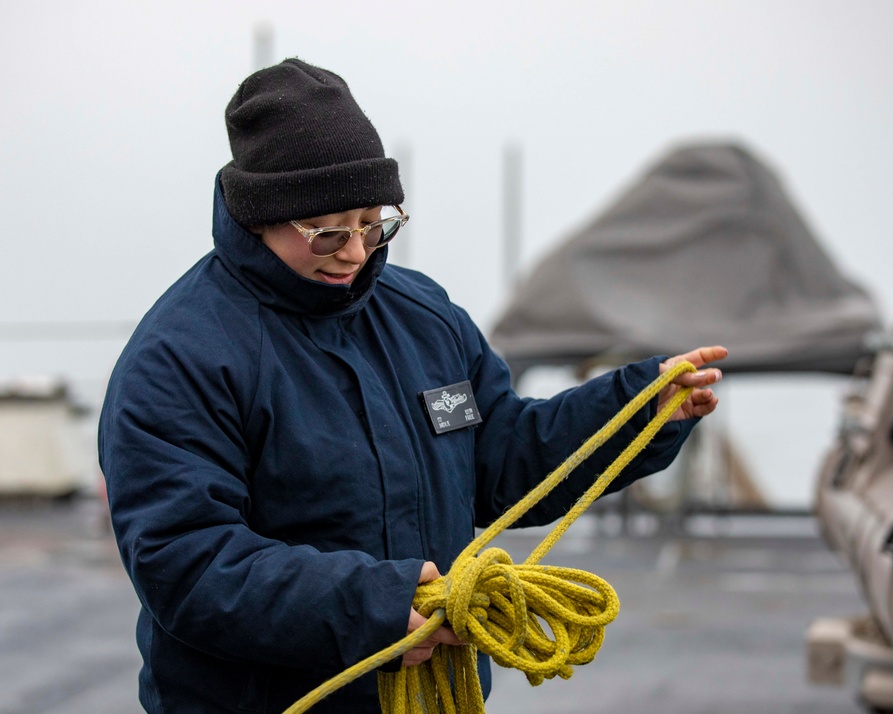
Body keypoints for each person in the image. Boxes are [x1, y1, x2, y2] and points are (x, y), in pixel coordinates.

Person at [98, 57, 727, 714]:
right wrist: (376, 604)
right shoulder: (180, 356)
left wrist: (635, 411)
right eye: (329, 232)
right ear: (260, 217)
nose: (355, 252)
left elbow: (500, 458)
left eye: (375, 223)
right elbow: (187, 563)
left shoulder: (423, 317)